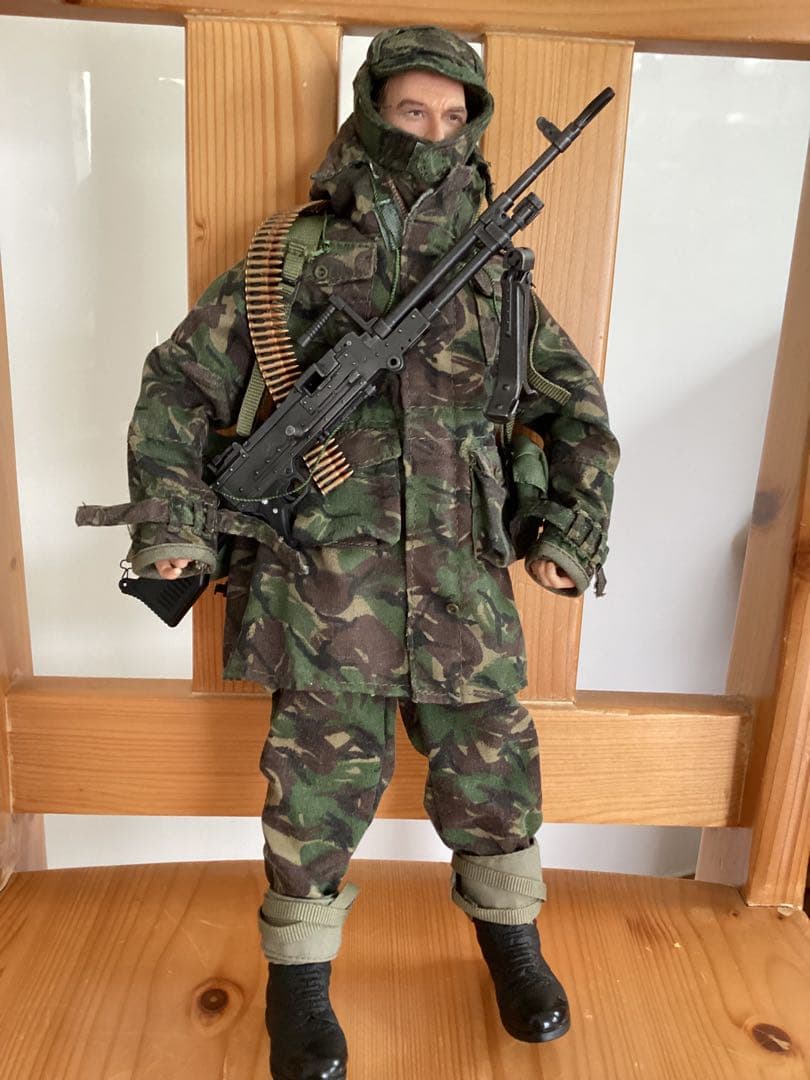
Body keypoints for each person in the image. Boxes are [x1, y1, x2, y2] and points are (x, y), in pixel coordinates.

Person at [86, 25, 619, 1080]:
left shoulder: (495, 275)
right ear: (371, 110)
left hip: (463, 584)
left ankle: (512, 945)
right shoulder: (289, 256)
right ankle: (299, 983)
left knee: (494, 770)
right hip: (321, 582)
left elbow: (579, 415)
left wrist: (569, 531)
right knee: (313, 788)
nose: (433, 131)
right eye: (412, 109)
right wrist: (177, 528)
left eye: (454, 116)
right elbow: (178, 387)